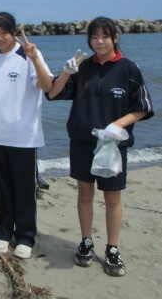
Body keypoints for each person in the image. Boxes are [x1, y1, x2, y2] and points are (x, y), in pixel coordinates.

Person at [46, 16, 153, 277]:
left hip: (113, 145)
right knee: (84, 194)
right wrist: (67, 72)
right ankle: (86, 243)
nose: (99, 41)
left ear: (115, 38)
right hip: (82, 143)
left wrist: (117, 125)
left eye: (105, 36)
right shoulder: (83, 67)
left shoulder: (128, 69)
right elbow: (52, 93)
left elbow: (142, 108)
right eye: (94, 37)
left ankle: (112, 249)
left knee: (112, 197)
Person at [0, 11, 53, 260]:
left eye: (4, 32)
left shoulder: (28, 55)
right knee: (1, 187)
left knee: (24, 188)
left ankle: (25, 236)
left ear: (14, 32)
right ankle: (3, 232)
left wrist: (35, 59)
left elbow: (47, 86)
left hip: (24, 136)